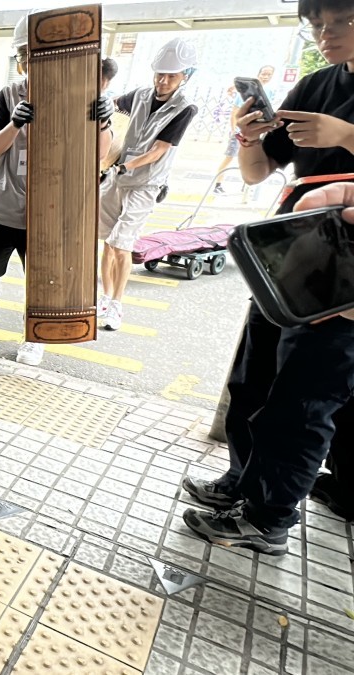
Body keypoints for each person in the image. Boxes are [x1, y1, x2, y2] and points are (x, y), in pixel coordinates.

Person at [182, 0, 354, 548]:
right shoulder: (314, 86)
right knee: (254, 374)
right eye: (317, 24)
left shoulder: (333, 113)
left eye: (341, 21)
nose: (326, 33)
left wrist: (346, 136)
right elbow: (259, 172)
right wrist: (249, 137)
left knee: (305, 396)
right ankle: (241, 480)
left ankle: (268, 517)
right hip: (288, 252)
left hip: (345, 273)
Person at [0, 19, 115, 368]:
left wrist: (102, 119)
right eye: (24, 56)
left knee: (44, 282)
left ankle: (35, 338)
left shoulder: (78, 95)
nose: (30, 62)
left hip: (50, 212)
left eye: (35, 54)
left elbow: (99, 152)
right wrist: (15, 122)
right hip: (5, 208)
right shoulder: (9, 96)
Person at [97, 38, 199, 332]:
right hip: (117, 176)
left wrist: (124, 165)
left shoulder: (185, 108)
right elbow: (114, 106)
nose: (163, 81)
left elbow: (158, 151)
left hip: (145, 183)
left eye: (171, 76)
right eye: (159, 74)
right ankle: (104, 296)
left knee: (121, 245)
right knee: (106, 241)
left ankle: (117, 303)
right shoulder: (141, 94)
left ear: (185, 76)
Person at [213, 67, 277, 194]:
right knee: (229, 157)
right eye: (264, 74)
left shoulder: (269, 92)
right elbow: (235, 111)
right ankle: (217, 184)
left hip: (257, 131)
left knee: (252, 159)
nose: (266, 77)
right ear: (258, 74)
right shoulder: (247, 93)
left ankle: (245, 189)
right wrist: (234, 129)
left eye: (269, 74)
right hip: (240, 131)